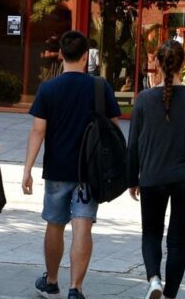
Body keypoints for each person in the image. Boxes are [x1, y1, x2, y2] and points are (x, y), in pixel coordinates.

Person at [22, 30, 121, 299]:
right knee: (83, 226)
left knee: (54, 224)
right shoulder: (100, 86)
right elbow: (113, 127)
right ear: (86, 56)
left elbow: (38, 130)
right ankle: (75, 288)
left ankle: (51, 281)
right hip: (90, 171)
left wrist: (28, 169)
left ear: (61, 55)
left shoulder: (48, 88)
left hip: (57, 169)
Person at [127, 40, 185, 299]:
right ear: (184, 63)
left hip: (152, 175)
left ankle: (154, 279)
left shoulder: (144, 99)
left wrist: (132, 178)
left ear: (157, 63)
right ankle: (169, 295)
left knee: (151, 233)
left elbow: (133, 143)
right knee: (178, 240)